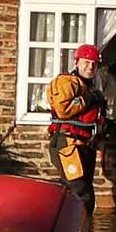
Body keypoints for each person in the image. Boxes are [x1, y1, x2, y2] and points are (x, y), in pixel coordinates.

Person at [42, 40, 109, 206]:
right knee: (81, 194)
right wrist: (90, 99)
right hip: (68, 143)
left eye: (94, 64)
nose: (90, 67)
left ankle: (76, 229)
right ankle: (78, 231)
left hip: (84, 144)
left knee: (83, 192)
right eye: (86, 62)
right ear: (76, 62)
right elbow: (62, 109)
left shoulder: (90, 86)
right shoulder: (68, 82)